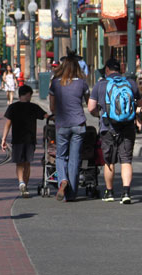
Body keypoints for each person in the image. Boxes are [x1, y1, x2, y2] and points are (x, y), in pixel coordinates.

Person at [88, 57, 139, 204]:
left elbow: (91, 107)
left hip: (107, 126)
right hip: (128, 126)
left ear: (107, 70)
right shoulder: (131, 83)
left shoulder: (101, 85)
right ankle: (126, 192)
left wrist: (99, 114)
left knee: (109, 161)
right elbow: (139, 103)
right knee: (126, 160)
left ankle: (109, 192)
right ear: (120, 70)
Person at [49, 57, 89, 202]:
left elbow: (52, 107)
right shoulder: (82, 83)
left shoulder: (55, 83)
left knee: (61, 156)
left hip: (62, 124)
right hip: (78, 123)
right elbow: (89, 103)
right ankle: (71, 194)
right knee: (74, 158)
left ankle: (63, 180)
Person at [0, 85, 46, 198]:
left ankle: (21, 182)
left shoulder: (13, 107)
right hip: (30, 139)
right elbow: (46, 116)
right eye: (30, 95)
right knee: (27, 163)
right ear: (27, 94)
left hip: (17, 139)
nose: (30, 97)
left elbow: (8, 123)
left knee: (19, 163)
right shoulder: (33, 107)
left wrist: (4, 138)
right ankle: (25, 185)